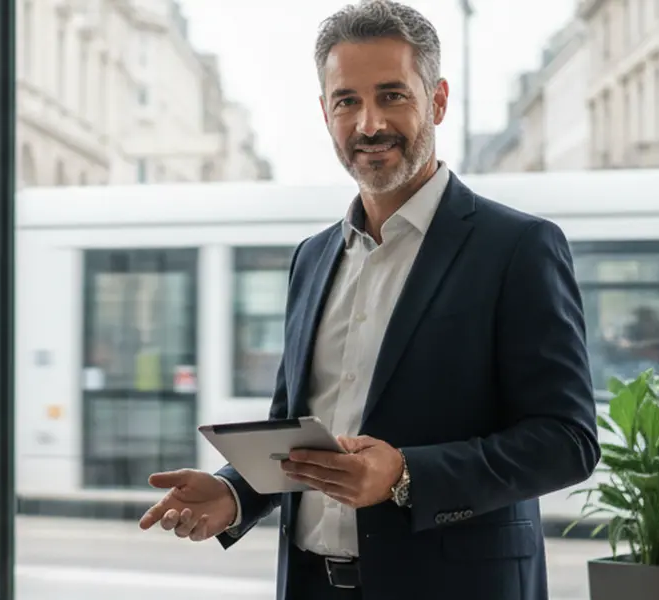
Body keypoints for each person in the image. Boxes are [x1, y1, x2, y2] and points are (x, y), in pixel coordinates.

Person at [138, 2, 601, 599]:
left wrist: (406, 474)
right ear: (325, 112)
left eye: (392, 95)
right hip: (311, 583)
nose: (369, 124)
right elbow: (296, 432)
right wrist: (234, 492)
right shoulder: (312, 257)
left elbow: (567, 441)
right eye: (347, 101)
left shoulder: (518, 247)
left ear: (437, 101)